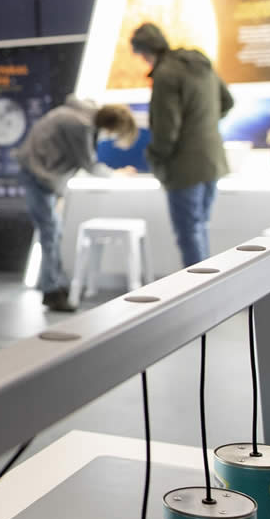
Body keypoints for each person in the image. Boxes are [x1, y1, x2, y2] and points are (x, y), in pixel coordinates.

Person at [16, 99, 138, 311]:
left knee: (53, 232)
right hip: (39, 176)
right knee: (50, 232)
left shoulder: (76, 115)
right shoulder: (79, 125)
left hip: (41, 175)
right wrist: (116, 175)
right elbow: (88, 163)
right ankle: (52, 290)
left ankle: (57, 285)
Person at [131, 21, 234, 266]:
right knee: (200, 229)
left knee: (189, 235)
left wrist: (153, 157)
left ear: (144, 51)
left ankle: (199, 298)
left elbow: (167, 132)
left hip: (184, 168)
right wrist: (202, 125)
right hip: (212, 162)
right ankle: (208, 291)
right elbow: (227, 102)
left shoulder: (166, 75)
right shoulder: (200, 64)